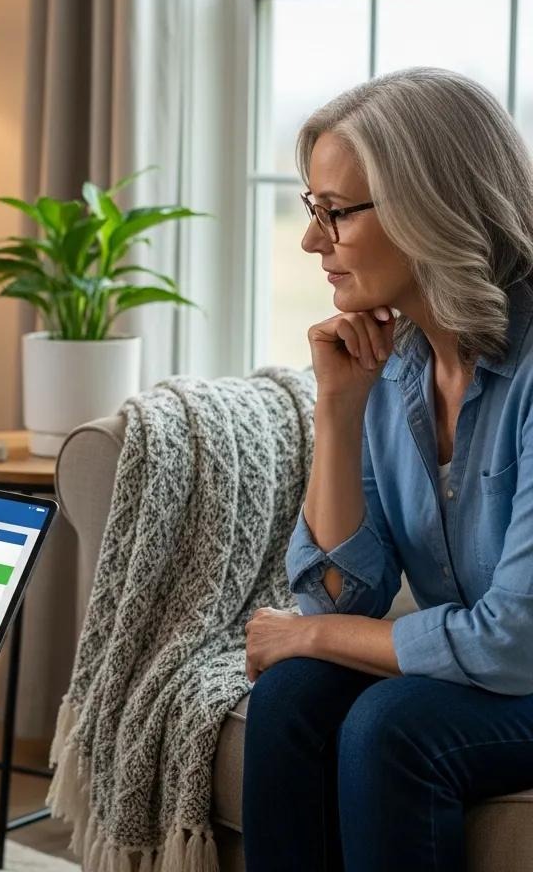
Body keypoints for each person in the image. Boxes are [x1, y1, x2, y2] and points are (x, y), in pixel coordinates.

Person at [241, 67, 533, 872]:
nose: (312, 241)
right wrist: (337, 410)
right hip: (497, 667)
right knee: (292, 695)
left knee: (391, 725)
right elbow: (342, 595)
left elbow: (513, 643)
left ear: (430, 208)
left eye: (335, 213)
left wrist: (310, 633)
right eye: (312, 210)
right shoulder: (392, 361)